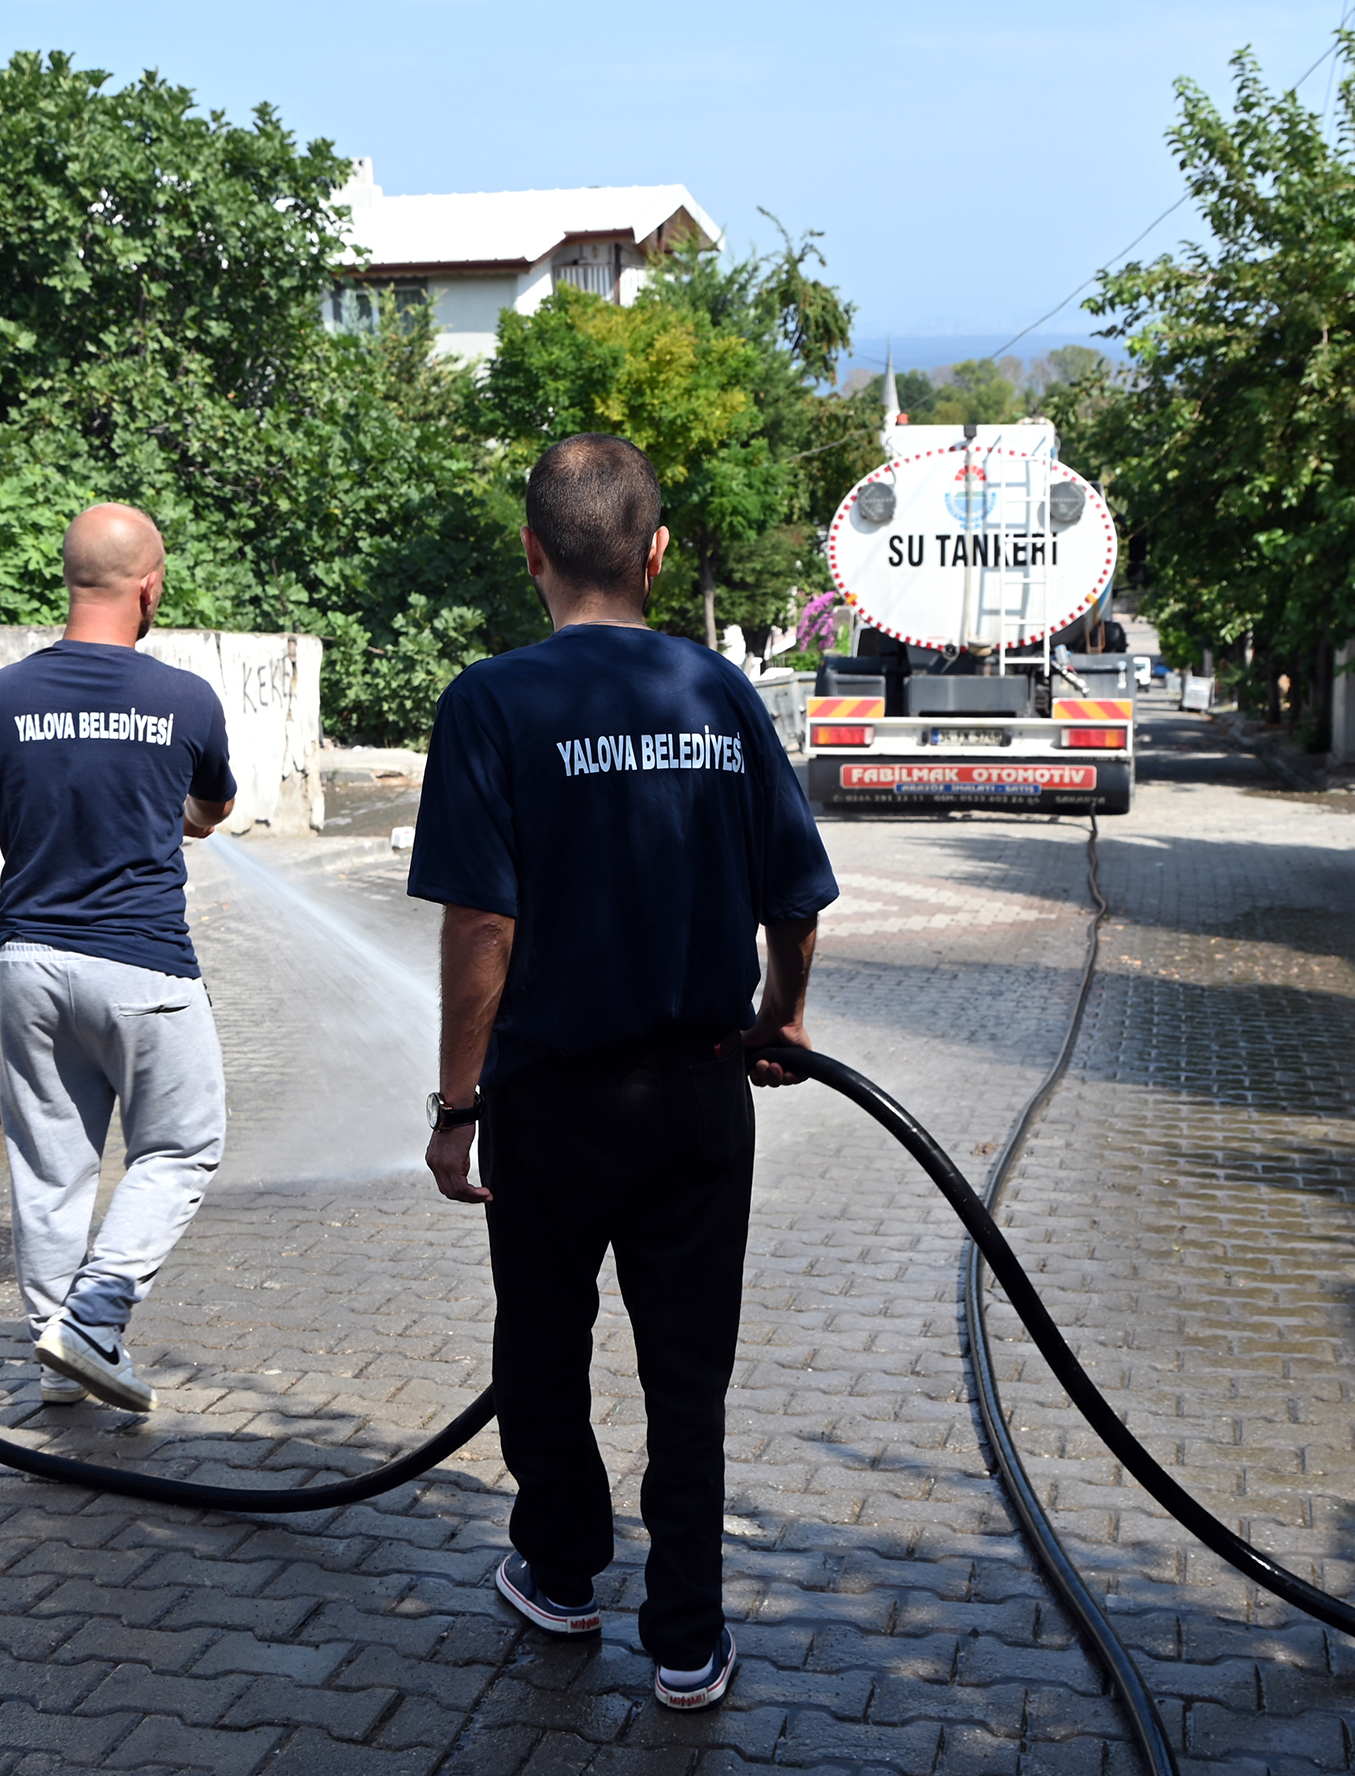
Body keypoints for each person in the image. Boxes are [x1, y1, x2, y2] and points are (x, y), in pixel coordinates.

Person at [407, 434, 838, 1712]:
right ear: (655, 555)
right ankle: (689, 1640)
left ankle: (560, 1575)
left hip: (548, 1101)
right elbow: (795, 895)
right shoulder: (720, 693)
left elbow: (482, 927)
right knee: (687, 1372)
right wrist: (780, 1016)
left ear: (530, 552)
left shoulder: (490, 701)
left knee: (543, 1343)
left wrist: (458, 1106)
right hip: (700, 1092)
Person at [0, 503, 236, 1414]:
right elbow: (210, 811)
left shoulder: (2, 696)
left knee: (50, 1168)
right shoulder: (186, 699)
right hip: (143, 970)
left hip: (28, 967)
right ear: (149, 587)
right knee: (181, 1147)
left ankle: (56, 1359)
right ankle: (95, 1318)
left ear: (70, 581)